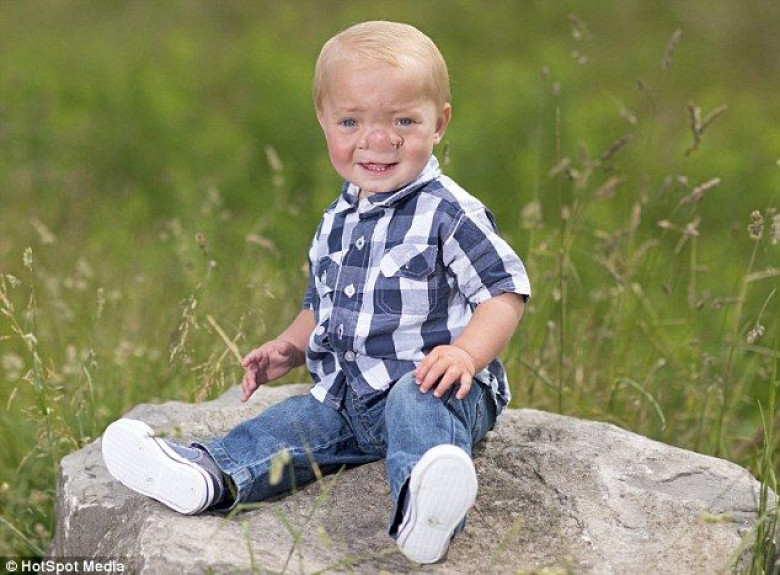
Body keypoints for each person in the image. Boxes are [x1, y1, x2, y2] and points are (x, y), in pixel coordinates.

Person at [101, 20, 531, 565]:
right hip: (349, 396)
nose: (377, 140)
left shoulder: (449, 212)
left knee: (417, 403)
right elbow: (321, 305)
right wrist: (290, 345)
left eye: (403, 120)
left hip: (437, 386)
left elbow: (504, 292)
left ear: (440, 122)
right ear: (324, 122)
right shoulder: (337, 219)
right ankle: (208, 475)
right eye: (351, 121)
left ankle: (425, 507)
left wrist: (466, 354)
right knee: (291, 424)